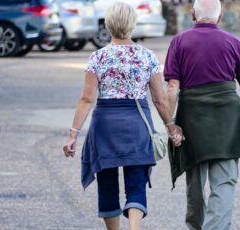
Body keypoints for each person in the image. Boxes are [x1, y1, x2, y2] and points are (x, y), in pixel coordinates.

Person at [62, 2, 183, 230]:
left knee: (107, 183)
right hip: (137, 125)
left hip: (104, 127)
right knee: (136, 182)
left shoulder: (97, 57)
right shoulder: (147, 56)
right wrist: (171, 127)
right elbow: (159, 99)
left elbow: (87, 100)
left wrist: (73, 134)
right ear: (132, 25)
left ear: (108, 26)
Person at [164, 0, 240, 229]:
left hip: (192, 118)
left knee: (195, 183)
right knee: (225, 181)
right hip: (227, 119)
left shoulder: (179, 42)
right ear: (219, 17)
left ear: (193, 15)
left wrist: (170, 124)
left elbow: (172, 89)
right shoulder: (233, 42)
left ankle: (196, 226)